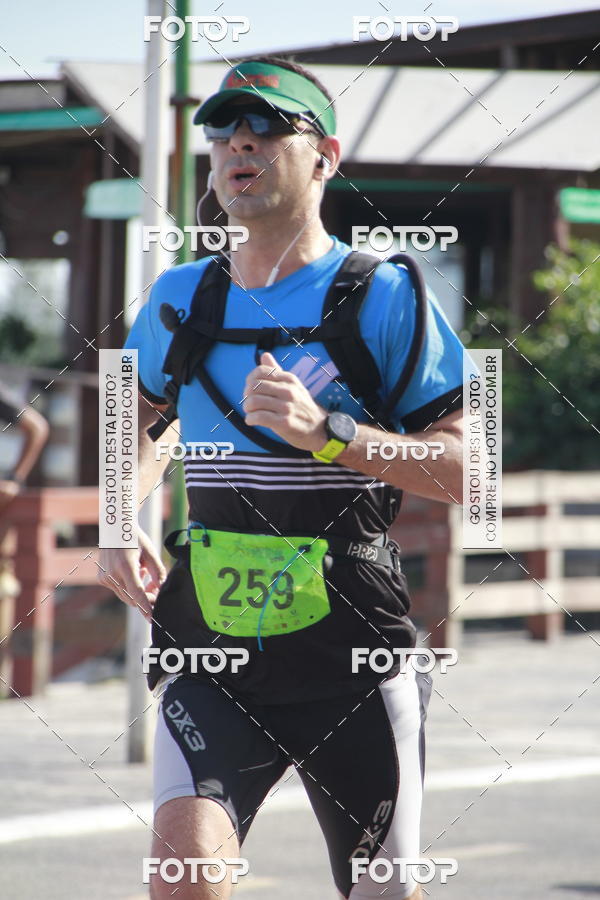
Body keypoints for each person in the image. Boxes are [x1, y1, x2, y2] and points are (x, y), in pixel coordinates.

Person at [99, 57, 466, 900]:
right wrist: (119, 514)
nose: (241, 145)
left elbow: (468, 469)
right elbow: (137, 422)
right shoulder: (177, 296)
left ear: (325, 155)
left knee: (382, 893)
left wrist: (328, 435)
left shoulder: (388, 295)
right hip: (213, 647)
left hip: (354, 658)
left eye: (267, 128)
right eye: (225, 131)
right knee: (182, 878)